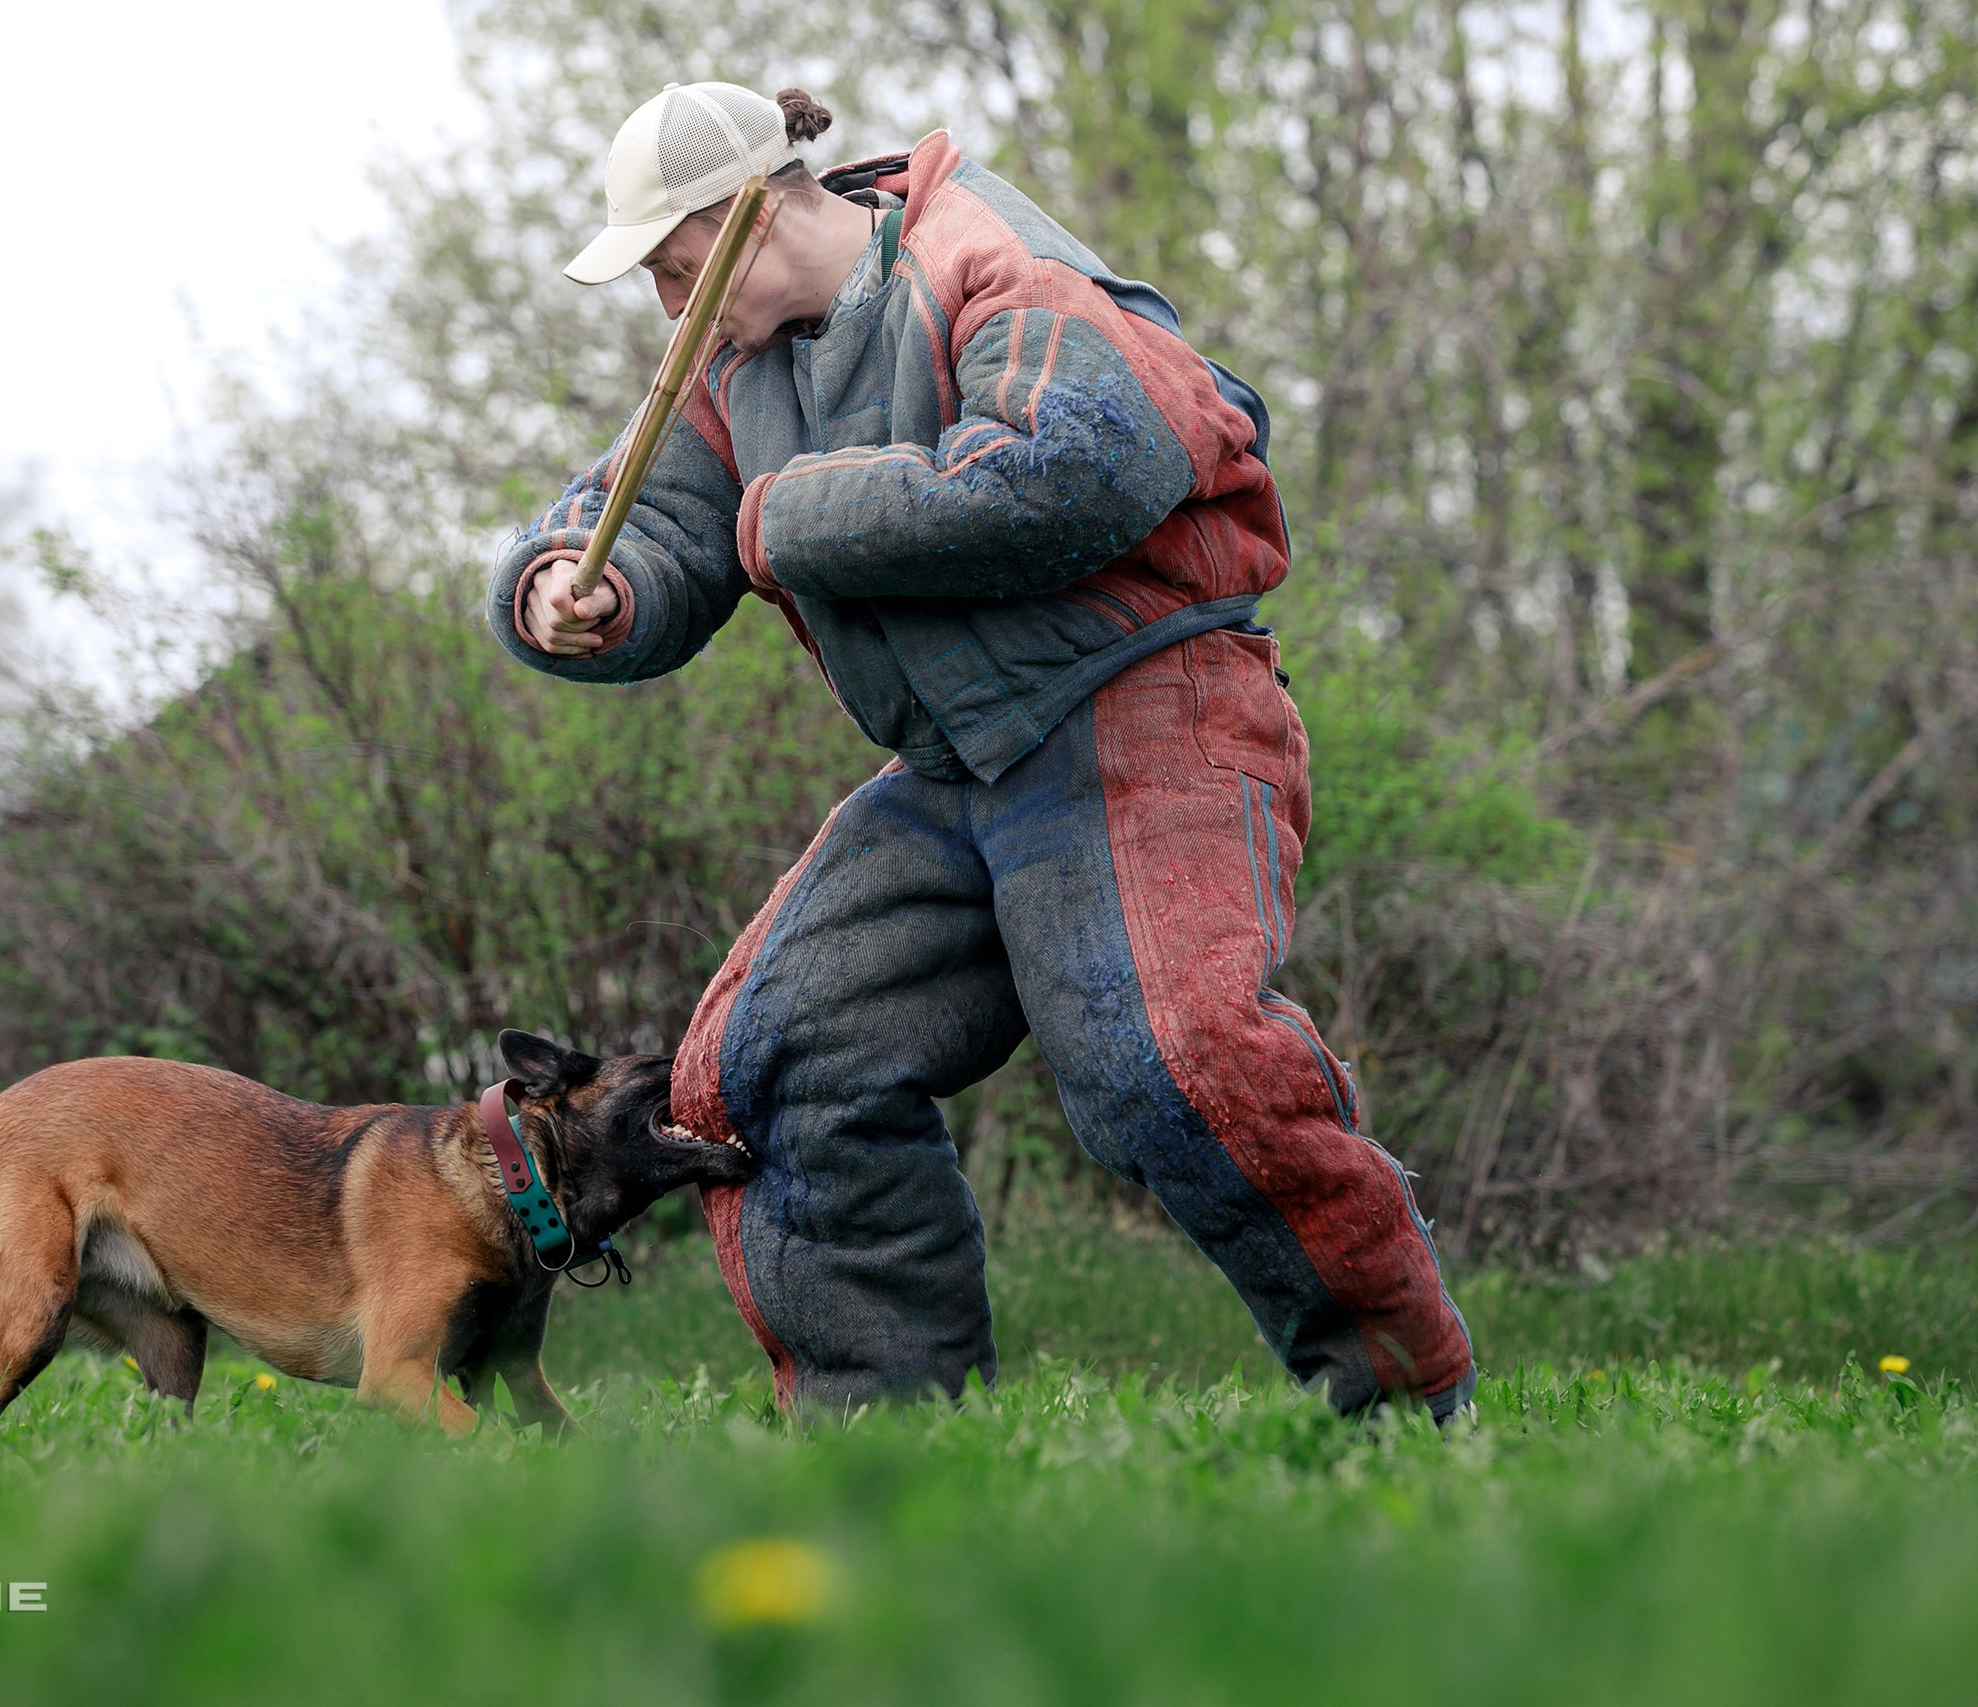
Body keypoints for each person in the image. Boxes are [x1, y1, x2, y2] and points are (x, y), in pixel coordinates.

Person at [485, 80, 1475, 1423]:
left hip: (1149, 702)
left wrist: (783, 518)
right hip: (959, 765)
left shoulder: (986, 256)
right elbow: (638, 524)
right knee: (773, 1062)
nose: (673, 311)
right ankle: (893, 1447)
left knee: (1178, 1059)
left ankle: (1407, 1406)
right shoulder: (736, 369)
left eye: (675, 269)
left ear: (745, 221)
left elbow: (1079, 465)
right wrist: (572, 592)